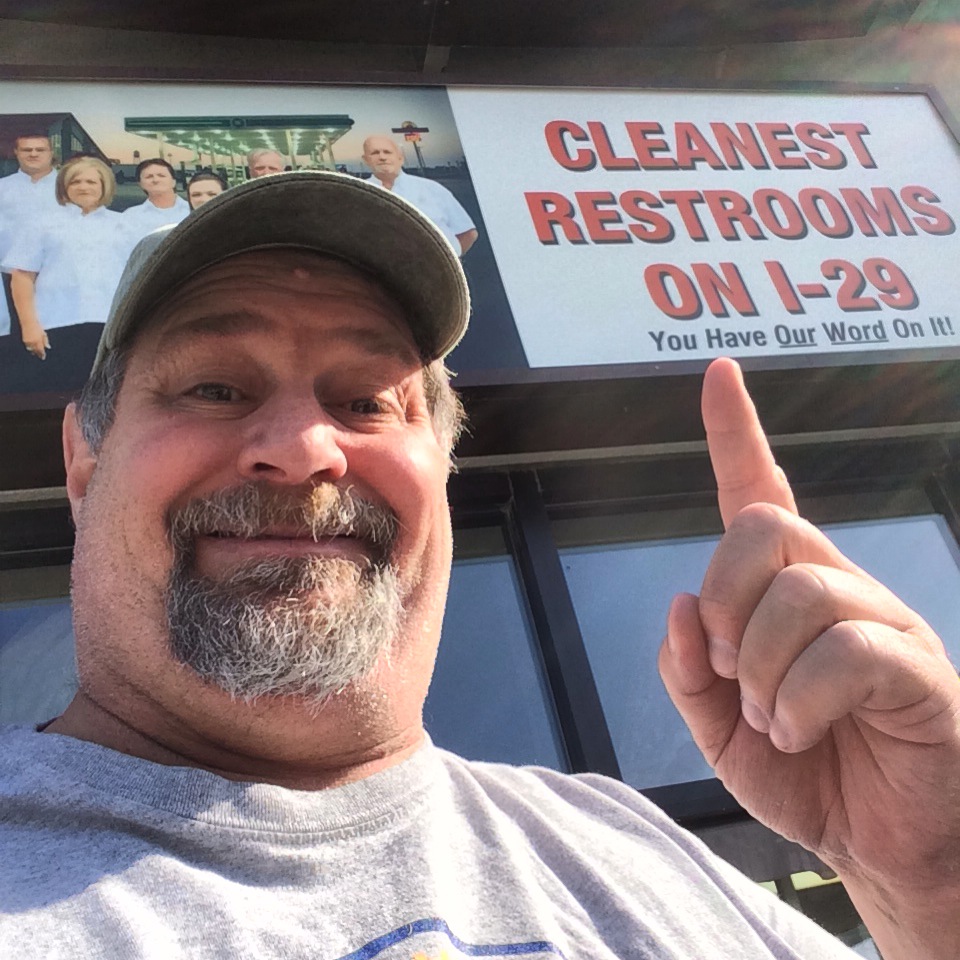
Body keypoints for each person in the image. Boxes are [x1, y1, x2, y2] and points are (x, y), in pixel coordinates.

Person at [1, 172, 957, 960]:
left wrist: (925, 878)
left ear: (443, 469)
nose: (302, 449)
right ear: (84, 459)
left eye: (369, 401)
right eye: (215, 386)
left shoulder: (625, 848)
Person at [6, 155, 133, 361]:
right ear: (63, 187)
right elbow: (22, 277)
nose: (83, 187)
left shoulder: (126, 225)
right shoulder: (40, 224)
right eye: (75, 181)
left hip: (114, 327)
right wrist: (29, 326)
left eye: (91, 181)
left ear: (104, 186)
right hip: (55, 325)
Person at [362, 134, 478, 257]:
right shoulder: (359, 192)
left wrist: (448, 262)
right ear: (366, 160)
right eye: (375, 153)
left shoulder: (432, 189)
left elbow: (468, 233)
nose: (382, 157)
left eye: (387, 152)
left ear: (400, 158)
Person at [0, 133, 60, 336]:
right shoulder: (3, 188)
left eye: (40, 149)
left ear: (51, 153)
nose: (33, 154)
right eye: (27, 149)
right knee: (16, 336)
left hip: (58, 274)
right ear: (16, 153)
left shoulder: (69, 186)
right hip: (11, 275)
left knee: (59, 334)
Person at [122, 157, 191, 241]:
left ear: (174, 182)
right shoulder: (130, 216)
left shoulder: (192, 210)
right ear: (140, 184)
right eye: (149, 177)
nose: (155, 180)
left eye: (161, 176)